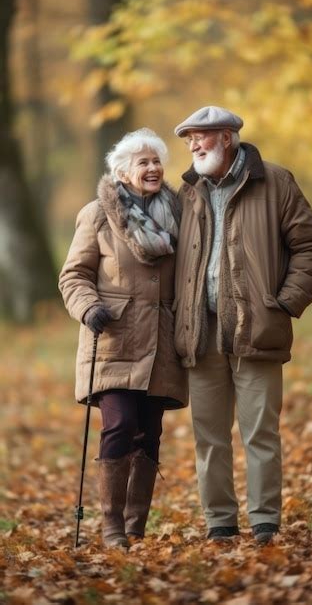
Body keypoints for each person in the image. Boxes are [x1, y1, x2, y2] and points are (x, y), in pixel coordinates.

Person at [172, 106, 312, 544]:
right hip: (201, 334)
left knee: (260, 431)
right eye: (188, 140)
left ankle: (264, 522)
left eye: (200, 137)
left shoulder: (275, 181)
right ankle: (219, 522)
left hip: (257, 328)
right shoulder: (188, 192)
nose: (193, 146)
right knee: (209, 437)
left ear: (226, 137)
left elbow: (310, 244)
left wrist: (285, 302)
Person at [59, 128, 188, 550]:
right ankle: (112, 526)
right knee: (119, 425)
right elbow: (73, 275)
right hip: (113, 335)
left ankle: (135, 526)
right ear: (122, 172)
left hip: (161, 341)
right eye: (143, 163)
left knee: (149, 432)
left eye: (156, 162)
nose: (152, 169)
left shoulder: (179, 213)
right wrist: (88, 307)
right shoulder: (97, 214)